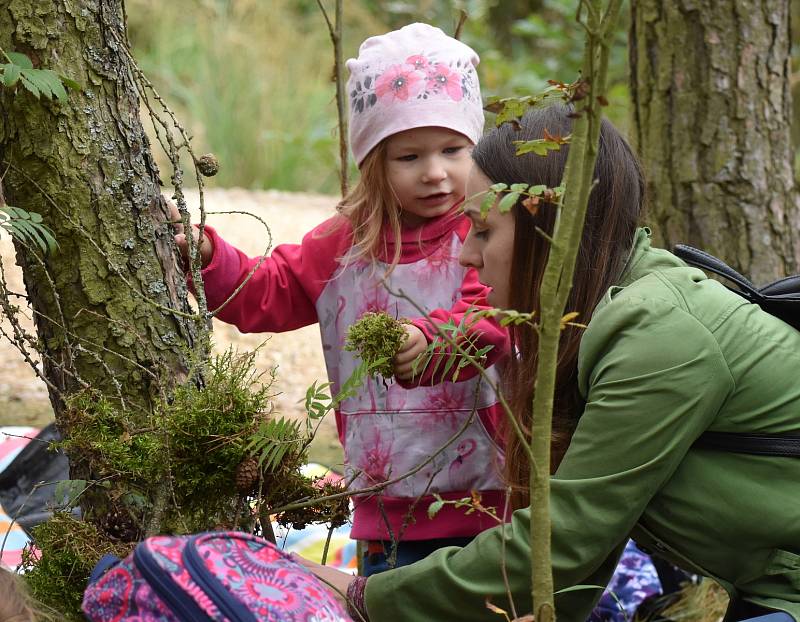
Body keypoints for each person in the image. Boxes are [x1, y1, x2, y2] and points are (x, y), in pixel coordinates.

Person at [301, 105, 800, 621]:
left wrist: (363, 598)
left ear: (553, 233)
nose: (466, 256)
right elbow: (575, 557)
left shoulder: (658, 336)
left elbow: (564, 539)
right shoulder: (590, 319)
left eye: (482, 230)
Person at [172, 23, 509, 575]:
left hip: (488, 504)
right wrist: (207, 258)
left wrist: (429, 341)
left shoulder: (482, 232)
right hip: (386, 509)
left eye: (454, 150)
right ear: (373, 161)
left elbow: (491, 318)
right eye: (408, 157)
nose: (436, 172)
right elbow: (269, 291)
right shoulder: (346, 245)